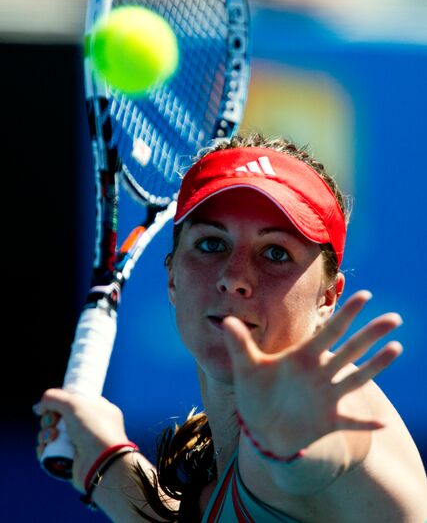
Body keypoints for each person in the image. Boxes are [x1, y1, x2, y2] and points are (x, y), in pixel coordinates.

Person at [34, 134, 427, 522]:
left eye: (276, 252)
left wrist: (293, 450)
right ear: (172, 278)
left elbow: (322, 454)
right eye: (211, 244)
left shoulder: (330, 400)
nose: (234, 276)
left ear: (326, 298)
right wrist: (107, 463)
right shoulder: (225, 476)